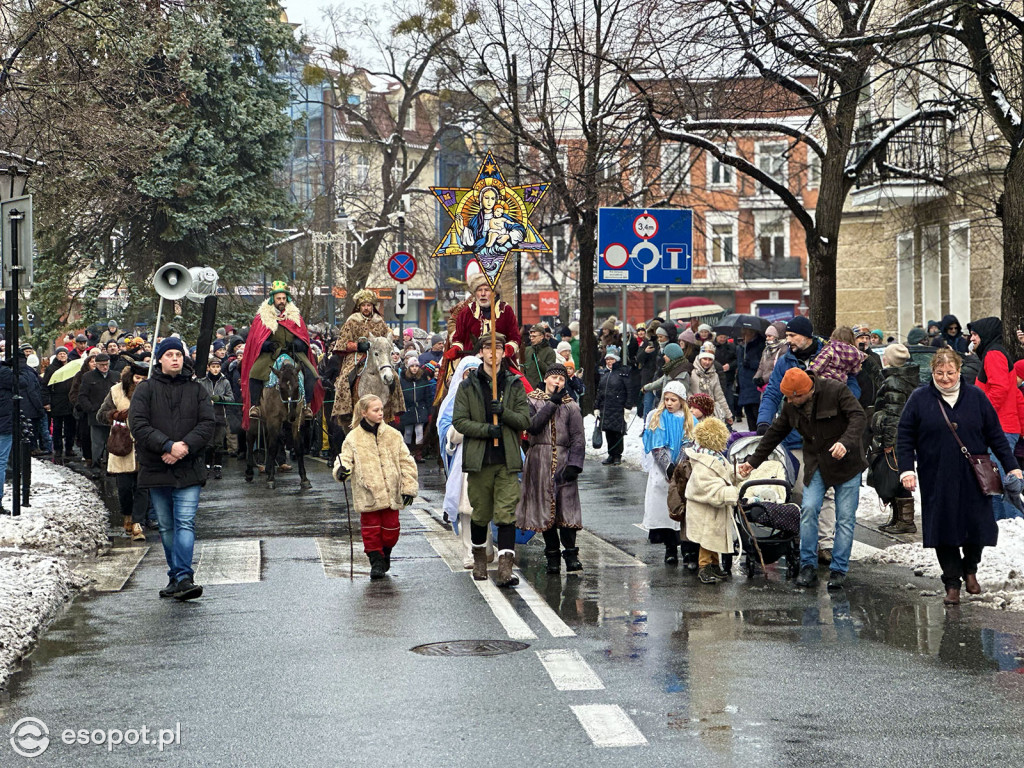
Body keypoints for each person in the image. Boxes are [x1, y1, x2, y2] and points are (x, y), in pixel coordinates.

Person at [896, 348, 1023, 605]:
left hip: (973, 475)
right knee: (944, 529)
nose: (945, 378)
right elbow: (905, 436)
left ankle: (971, 568)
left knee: (977, 527)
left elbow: (995, 435)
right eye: (939, 373)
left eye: (950, 373)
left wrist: (1012, 466)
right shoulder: (920, 398)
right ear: (932, 372)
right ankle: (952, 583)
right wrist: (907, 470)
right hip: (937, 475)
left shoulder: (976, 396)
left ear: (959, 371)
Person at [739, 368, 867, 591]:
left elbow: (858, 416)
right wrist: (752, 461)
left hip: (847, 464)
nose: (789, 401)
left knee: (845, 519)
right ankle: (807, 565)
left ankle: (839, 569)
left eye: (793, 396)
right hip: (817, 464)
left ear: (805, 390)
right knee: (808, 509)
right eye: (787, 397)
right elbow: (775, 433)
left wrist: (845, 442)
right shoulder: (791, 405)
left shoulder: (835, 390)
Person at [129, 337, 215, 601]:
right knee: (166, 527)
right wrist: (166, 445)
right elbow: (139, 424)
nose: (175, 358)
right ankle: (176, 576)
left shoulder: (197, 390)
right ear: (160, 359)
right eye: (169, 355)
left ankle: (184, 577)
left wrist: (184, 447)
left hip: (188, 467)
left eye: (179, 354)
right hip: (157, 467)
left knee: (185, 523)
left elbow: (207, 423)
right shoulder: (146, 389)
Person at [452, 334, 531, 587]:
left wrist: (504, 414)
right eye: (488, 348)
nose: (493, 353)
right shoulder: (468, 386)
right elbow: (460, 421)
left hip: (506, 460)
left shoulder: (514, 384)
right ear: (481, 353)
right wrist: (486, 429)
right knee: (480, 513)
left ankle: (506, 568)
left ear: (503, 353)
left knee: (506, 514)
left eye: (497, 348)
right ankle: (479, 562)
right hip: (480, 459)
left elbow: (525, 420)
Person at [334, 394, 419, 580]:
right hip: (368, 494)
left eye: (381, 409)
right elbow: (345, 459)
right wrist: (342, 470)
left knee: (391, 530)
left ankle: (385, 552)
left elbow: (407, 462)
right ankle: (376, 561)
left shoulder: (393, 435)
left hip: (391, 493)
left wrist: (408, 488)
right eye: (376, 410)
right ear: (364, 413)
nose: (380, 413)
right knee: (370, 530)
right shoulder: (352, 438)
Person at [516, 364, 586, 574]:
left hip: (564, 462)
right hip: (539, 461)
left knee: (567, 511)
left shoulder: (571, 406)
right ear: (546, 379)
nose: (557, 382)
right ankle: (552, 556)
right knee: (544, 512)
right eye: (554, 378)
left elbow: (578, 437)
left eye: (561, 379)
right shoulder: (532, 400)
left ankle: (572, 555)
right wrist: (550, 405)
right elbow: (532, 426)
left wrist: (575, 463)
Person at [241, 280, 324, 427]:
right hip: (271, 354)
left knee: (312, 374)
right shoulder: (262, 317)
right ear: (273, 299)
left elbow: (303, 338)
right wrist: (267, 345)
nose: (281, 301)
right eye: (279, 298)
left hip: (293, 353)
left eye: (284, 298)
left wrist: (297, 344)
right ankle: (256, 406)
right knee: (255, 373)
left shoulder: (295, 316)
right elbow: (256, 340)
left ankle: (306, 407)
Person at [437, 356, 494, 568]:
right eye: (467, 372)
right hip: (465, 459)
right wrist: (462, 429)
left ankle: (487, 547)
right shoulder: (452, 401)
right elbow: (446, 431)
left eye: (474, 371)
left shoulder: (490, 394)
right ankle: (470, 551)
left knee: (488, 503)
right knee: (468, 507)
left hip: (489, 455)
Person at [967, 317, 1022, 520]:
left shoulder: (993, 354)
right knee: (997, 481)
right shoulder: (994, 352)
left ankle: (1013, 523)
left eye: (975, 334)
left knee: (1001, 482)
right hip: (1003, 426)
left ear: (986, 333)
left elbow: (999, 389)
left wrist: (981, 414)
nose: (972, 339)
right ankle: (1003, 523)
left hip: (1000, 427)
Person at [641, 381, 695, 564]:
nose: (669, 403)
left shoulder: (689, 420)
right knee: (665, 509)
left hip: (683, 469)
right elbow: (657, 445)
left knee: (684, 507)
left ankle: (687, 548)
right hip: (662, 470)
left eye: (673, 399)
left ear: (681, 401)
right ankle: (669, 547)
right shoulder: (658, 417)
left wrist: (679, 466)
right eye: (666, 399)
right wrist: (668, 466)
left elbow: (689, 442)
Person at [868, 344, 920, 534]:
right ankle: (898, 518)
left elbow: (894, 417)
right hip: (902, 436)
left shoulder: (895, 382)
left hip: (897, 439)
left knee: (897, 477)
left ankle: (905, 521)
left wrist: (888, 442)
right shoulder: (902, 378)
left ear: (888, 359)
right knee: (896, 476)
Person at [98, 360, 151, 541]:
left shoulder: (152, 392)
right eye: (137, 378)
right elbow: (101, 414)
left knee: (143, 487)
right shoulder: (116, 391)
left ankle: (138, 523)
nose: (140, 382)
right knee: (125, 488)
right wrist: (114, 415)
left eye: (144, 378)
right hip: (122, 446)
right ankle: (127, 515)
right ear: (130, 377)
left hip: (145, 446)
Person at [684, 417, 739, 585]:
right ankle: (705, 566)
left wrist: (739, 474)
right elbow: (708, 488)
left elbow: (726, 473)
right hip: (705, 510)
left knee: (714, 537)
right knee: (707, 539)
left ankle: (715, 564)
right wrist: (729, 493)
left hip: (713, 509)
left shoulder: (716, 457)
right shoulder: (703, 463)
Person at [445, 273, 523, 364]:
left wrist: (507, 349)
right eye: (479, 290)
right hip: (471, 363)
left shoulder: (506, 310)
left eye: (487, 290)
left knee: (520, 378)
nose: (482, 294)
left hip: (502, 361)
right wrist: (456, 348)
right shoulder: (466, 312)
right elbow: (458, 338)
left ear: (495, 293)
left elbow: (515, 337)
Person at [0, 358, 45, 511]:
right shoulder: (4, 373)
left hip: (5, 422)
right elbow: (23, 382)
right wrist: (19, 367)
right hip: (4, 424)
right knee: (1, 461)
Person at [77, 352, 117, 472]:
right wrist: (91, 408)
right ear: (97, 365)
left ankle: (111, 467)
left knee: (112, 443)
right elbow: (82, 396)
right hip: (95, 415)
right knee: (97, 444)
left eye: (107, 364)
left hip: (112, 414)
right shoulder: (88, 377)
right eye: (102, 365)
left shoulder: (115, 375)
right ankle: (96, 466)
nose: (105, 367)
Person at [595, 346, 631, 465]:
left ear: (617, 359)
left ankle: (617, 455)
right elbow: (599, 391)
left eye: (612, 359)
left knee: (617, 433)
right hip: (606, 408)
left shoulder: (623, 373)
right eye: (607, 359)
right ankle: (611, 454)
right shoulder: (604, 374)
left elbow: (629, 391)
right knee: (608, 432)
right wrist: (596, 407)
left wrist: (628, 407)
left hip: (618, 408)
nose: (609, 361)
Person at [198, 356, 232, 479]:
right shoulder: (202, 381)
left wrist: (221, 398)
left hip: (220, 415)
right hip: (206, 416)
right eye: (213, 367)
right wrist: (206, 400)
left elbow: (231, 398)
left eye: (217, 367)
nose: (216, 369)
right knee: (208, 444)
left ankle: (218, 467)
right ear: (209, 367)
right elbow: (197, 396)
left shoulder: (225, 381)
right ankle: (206, 466)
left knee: (218, 443)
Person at [398, 357, 435, 463]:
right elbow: (400, 396)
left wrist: (429, 411)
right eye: (412, 366)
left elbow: (427, 396)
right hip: (408, 408)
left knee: (419, 431)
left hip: (420, 407)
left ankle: (418, 453)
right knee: (408, 431)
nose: (414, 368)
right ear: (408, 367)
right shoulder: (403, 380)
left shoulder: (423, 380)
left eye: (416, 366)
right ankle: (407, 452)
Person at [43, 347, 77, 462]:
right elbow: (45, 386)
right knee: (57, 427)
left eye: (64, 354)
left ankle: (69, 447)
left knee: (70, 426)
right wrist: (47, 401)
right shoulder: (51, 369)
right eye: (60, 354)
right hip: (56, 400)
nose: (62, 356)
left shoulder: (72, 367)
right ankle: (57, 448)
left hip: (70, 401)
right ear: (57, 355)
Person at [807, 326, 865, 392]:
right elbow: (855, 371)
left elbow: (816, 367)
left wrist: (806, 374)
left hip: (824, 384)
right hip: (840, 386)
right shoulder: (856, 354)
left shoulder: (831, 348)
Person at [690, 342, 733, 424]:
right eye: (704, 359)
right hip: (694, 414)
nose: (707, 362)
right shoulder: (692, 373)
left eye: (710, 359)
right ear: (700, 359)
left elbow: (719, 396)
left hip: (711, 414)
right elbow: (688, 393)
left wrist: (728, 415)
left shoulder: (714, 375)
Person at [735, 327, 765, 430]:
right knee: (750, 418)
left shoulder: (760, 345)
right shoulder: (741, 347)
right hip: (744, 387)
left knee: (757, 416)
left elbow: (762, 365)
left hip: (755, 386)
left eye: (746, 333)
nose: (744, 336)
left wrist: (749, 363)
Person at [69, 354, 97, 466]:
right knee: (85, 434)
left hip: (98, 409)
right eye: (92, 361)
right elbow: (73, 393)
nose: (94, 363)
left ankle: (97, 457)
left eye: (96, 361)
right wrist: (80, 405)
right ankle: (88, 457)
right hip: (84, 411)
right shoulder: (80, 376)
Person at [522, 324, 556, 390]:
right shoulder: (527, 350)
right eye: (530, 336)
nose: (531, 338)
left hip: (541, 389)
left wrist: (539, 361)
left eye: (534, 336)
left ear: (542, 336)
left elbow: (549, 371)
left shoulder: (550, 351)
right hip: (527, 388)